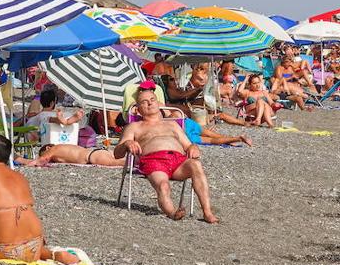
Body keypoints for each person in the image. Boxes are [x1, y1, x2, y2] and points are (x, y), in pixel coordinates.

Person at [0, 135, 78, 264]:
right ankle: (50, 254)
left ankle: (34, 254)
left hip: (8, 249)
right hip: (36, 242)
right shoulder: (19, 176)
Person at [114, 88, 218, 223]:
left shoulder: (172, 125)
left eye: (152, 100)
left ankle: (207, 212)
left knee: (195, 164)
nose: (149, 104)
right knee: (163, 186)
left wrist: (194, 147)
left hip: (178, 161)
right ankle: (172, 212)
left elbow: (188, 145)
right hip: (154, 161)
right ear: (138, 109)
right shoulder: (134, 127)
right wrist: (127, 143)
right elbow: (117, 153)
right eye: (144, 102)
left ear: (158, 104)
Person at [24, 143, 125, 168]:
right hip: (94, 153)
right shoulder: (60, 148)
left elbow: (42, 159)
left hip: (91, 156)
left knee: (117, 163)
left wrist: (26, 164)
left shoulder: (54, 149)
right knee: (119, 160)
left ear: (47, 148)